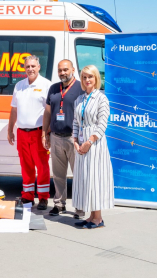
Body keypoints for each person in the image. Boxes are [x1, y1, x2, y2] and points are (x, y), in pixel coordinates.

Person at [71, 65, 114, 229]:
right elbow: (76, 122)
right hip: (81, 144)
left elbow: (102, 124)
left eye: (90, 77)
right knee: (86, 179)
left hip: (95, 144)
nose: (87, 80)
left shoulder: (102, 98)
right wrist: (75, 140)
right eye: (84, 77)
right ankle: (91, 216)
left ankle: (98, 218)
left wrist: (89, 141)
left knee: (95, 179)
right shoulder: (79, 100)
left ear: (96, 78)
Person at [7, 55, 52, 210]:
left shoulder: (46, 85)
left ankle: (44, 198)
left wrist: (47, 133)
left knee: (42, 165)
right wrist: (10, 129)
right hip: (21, 132)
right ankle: (27, 196)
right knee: (26, 165)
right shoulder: (19, 85)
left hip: (39, 132)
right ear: (24, 68)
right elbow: (13, 109)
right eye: (27, 67)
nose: (30, 69)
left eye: (33, 66)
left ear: (39, 67)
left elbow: (50, 112)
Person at [42, 59, 85, 218]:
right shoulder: (53, 88)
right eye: (60, 70)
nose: (63, 73)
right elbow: (47, 112)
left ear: (73, 69)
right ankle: (59, 204)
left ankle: (80, 207)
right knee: (58, 174)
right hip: (56, 137)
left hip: (74, 139)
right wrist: (44, 133)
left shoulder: (80, 88)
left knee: (78, 174)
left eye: (66, 70)